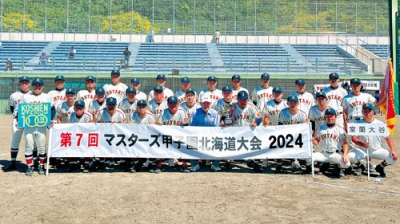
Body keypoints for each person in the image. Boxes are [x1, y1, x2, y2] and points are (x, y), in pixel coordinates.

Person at [347, 103, 398, 178]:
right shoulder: (357, 124)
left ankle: (380, 167)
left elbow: (388, 137)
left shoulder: (380, 124)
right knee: (350, 156)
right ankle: (360, 166)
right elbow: (353, 139)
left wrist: (393, 150)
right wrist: (362, 144)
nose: (367, 113)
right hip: (362, 150)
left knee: (393, 158)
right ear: (362, 112)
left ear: (373, 112)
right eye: (365, 111)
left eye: (369, 111)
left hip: (376, 149)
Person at [20, 78, 55, 176]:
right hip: (29, 125)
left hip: (41, 125)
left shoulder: (47, 97)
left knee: (42, 146)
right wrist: (20, 121)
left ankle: (41, 165)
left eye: (39, 85)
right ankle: (30, 166)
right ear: (32, 86)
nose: (37, 86)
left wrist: (50, 119)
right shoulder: (26, 97)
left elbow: (52, 109)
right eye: (35, 85)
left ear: (43, 86)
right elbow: (21, 110)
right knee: (29, 145)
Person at [311, 108, 351, 177]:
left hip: (335, 154)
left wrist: (344, 154)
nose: (329, 118)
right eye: (328, 116)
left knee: (346, 164)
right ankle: (325, 164)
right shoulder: (320, 128)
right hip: (324, 154)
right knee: (309, 158)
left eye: (331, 116)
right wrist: (312, 139)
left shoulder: (340, 130)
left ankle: (339, 167)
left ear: (335, 117)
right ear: (325, 117)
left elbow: (345, 144)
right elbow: (316, 142)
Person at [276, 95, 309, 173]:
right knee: (277, 144)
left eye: (295, 102)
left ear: (298, 103)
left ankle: (308, 165)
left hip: (298, 136)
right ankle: (278, 164)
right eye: (291, 102)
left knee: (308, 145)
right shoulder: (283, 112)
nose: (293, 104)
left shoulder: (303, 114)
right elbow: (280, 126)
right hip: (286, 135)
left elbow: (305, 128)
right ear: (288, 103)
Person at [5, 76, 32, 170]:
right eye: (22, 82)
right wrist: (17, 116)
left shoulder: (33, 94)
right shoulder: (14, 95)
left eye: (26, 82)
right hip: (18, 119)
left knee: (32, 141)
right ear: (19, 83)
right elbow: (12, 108)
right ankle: (13, 162)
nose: (24, 83)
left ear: (29, 83)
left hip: (30, 120)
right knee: (15, 140)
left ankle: (35, 162)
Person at [158, 96, 189, 173]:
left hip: (179, 136)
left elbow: (186, 127)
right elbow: (158, 125)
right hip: (166, 136)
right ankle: (159, 165)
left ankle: (184, 165)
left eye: (174, 104)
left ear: (177, 104)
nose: (172, 105)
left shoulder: (182, 112)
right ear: (167, 104)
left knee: (185, 144)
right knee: (158, 143)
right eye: (170, 104)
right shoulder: (163, 112)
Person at [190, 95, 220, 172]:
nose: (206, 105)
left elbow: (216, 128)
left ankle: (215, 165)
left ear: (210, 104)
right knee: (191, 143)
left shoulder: (214, 113)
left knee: (217, 143)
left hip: (211, 137)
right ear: (200, 104)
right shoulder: (195, 112)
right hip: (198, 136)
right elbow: (192, 127)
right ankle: (194, 164)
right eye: (204, 103)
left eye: (208, 103)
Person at [96, 97, 126, 170]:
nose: (111, 106)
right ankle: (101, 162)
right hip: (104, 134)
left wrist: (118, 124)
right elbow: (97, 124)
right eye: (109, 104)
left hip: (117, 134)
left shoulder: (121, 113)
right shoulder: (101, 112)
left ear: (116, 105)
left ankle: (122, 162)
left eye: (113, 104)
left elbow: (125, 126)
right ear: (106, 105)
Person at [67, 100, 94, 173]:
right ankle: (71, 164)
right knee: (69, 144)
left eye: (80, 108)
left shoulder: (88, 115)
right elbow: (68, 128)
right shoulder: (71, 116)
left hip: (85, 135)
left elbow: (91, 128)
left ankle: (86, 164)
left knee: (87, 146)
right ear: (74, 108)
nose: (78, 110)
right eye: (77, 108)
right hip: (74, 136)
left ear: (84, 108)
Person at [130, 100, 156, 173]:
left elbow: (153, 129)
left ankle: (150, 164)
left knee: (153, 144)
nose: (142, 108)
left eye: (143, 106)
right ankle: (136, 165)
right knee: (131, 144)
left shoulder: (150, 116)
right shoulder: (132, 115)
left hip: (148, 136)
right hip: (136, 136)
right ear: (137, 107)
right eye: (140, 106)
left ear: (146, 108)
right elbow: (129, 127)